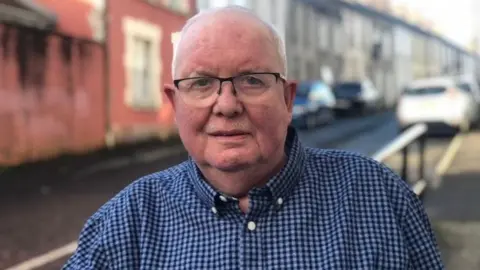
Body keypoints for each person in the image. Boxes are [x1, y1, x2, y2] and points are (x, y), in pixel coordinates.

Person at [63, 6, 444, 269]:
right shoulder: (126, 223)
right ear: (174, 103)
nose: (226, 105)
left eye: (252, 80)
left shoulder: (379, 199)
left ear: (287, 98)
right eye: (201, 83)